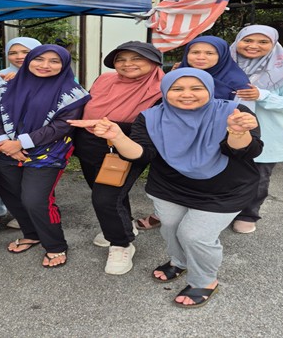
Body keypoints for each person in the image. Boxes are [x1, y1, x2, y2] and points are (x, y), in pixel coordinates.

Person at [70, 68, 262, 308]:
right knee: (170, 228)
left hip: (224, 189)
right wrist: (117, 137)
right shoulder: (151, 117)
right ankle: (179, 262)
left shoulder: (233, 112)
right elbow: (142, 154)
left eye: (196, 88)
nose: (187, 94)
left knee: (194, 236)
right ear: (165, 91)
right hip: (170, 186)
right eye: (177, 88)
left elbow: (247, 152)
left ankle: (204, 280)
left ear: (210, 89)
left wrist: (238, 132)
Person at [135, 35, 251, 231]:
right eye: (195, 52)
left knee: (197, 232)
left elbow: (244, 123)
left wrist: (238, 129)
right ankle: (167, 214)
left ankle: (213, 221)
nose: (201, 57)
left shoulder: (236, 82)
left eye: (209, 52)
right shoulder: (176, 73)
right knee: (172, 208)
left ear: (222, 55)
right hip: (177, 142)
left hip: (219, 141)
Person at [0, 44, 90, 268]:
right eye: (39, 59)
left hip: (48, 153)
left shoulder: (72, 93)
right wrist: (4, 141)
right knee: (12, 196)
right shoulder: (4, 86)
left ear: (64, 65)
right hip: (6, 149)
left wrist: (20, 143)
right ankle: (31, 234)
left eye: (54, 61)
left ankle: (55, 244)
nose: (45, 65)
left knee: (36, 200)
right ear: (29, 60)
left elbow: (62, 125)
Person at [73, 41, 164, 275]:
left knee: (105, 197)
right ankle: (124, 225)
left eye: (137, 58)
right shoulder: (105, 79)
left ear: (154, 62)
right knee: (108, 193)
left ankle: (121, 244)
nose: (127, 64)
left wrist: (114, 128)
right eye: (121, 59)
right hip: (90, 142)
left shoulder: (164, 87)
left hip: (127, 144)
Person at [230, 25, 283, 234]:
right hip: (227, 132)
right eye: (247, 40)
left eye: (263, 42)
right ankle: (222, 210)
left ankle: (248, 214)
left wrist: (263, 96)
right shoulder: (224, 64)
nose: (253, 46)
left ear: (274, 44)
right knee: (223, 173)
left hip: (267, 134)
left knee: (257, 177)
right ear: (237, 41)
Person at [0, 36, 42, 224]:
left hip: (39, 140)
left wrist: (22, 82)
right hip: (5, 140)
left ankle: (36, 218)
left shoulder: (51, 74)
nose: (19, 56)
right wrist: (5, 142)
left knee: (37, 184)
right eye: (13, 53)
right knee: (9, 182)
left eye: (25, 52)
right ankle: (16, 215)